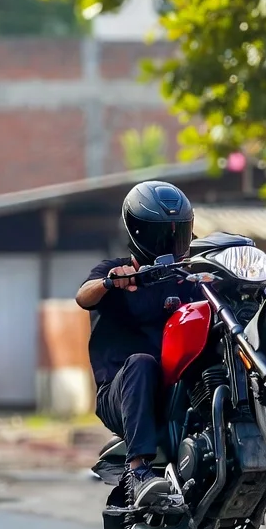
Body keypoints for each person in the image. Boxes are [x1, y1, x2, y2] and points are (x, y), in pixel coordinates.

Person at [76, 180, 206, 507]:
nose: (170, 242)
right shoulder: (116, 272)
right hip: (122, 394)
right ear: (137, 233)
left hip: (178, 390)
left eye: (177, 233)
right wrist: (111, 282)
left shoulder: (189, 277)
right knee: (142, 362)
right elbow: (84, 296)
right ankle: (138, 473)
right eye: (160, 234)